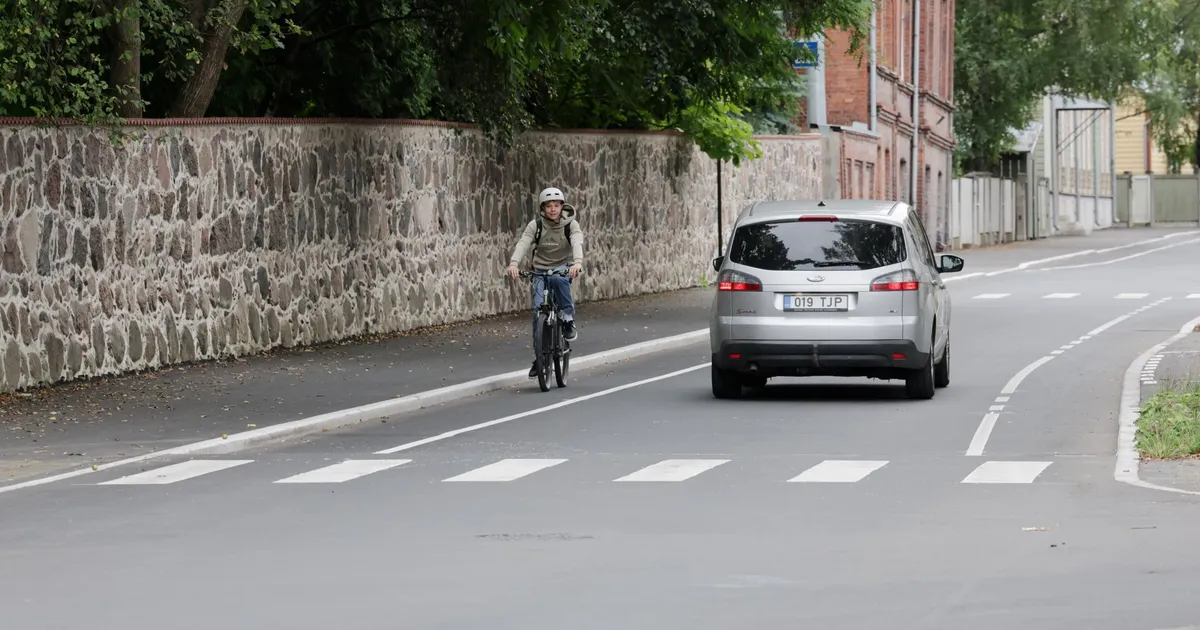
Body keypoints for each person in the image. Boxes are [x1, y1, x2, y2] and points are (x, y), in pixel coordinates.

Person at [505, 186, 584, 378]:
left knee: (558, 279)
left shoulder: (570, 225)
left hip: (562, 267)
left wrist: (577, 263)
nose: (553, 209)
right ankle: (540, 358)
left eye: (556, 205)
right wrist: (514, 263)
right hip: (539, 269)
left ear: (562, 206)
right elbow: (523, 243)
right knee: (537, 311)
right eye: (549, 206)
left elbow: (576, 242)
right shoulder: (536, 225)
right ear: (543, 208)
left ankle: (567, 318)